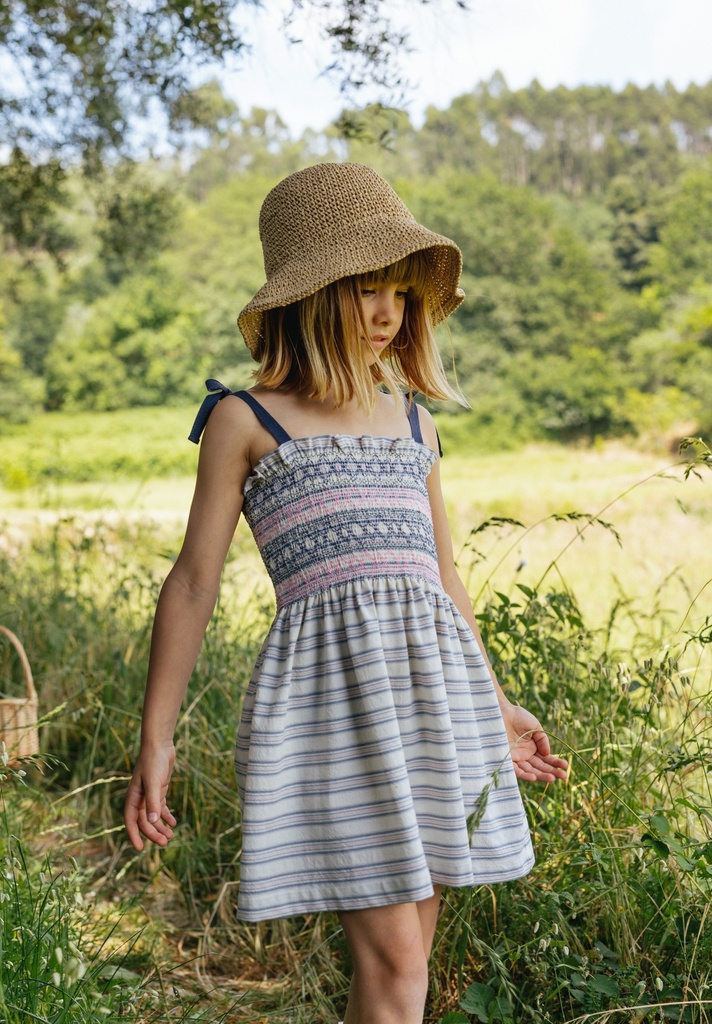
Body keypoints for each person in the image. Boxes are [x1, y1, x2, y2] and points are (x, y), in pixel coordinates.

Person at [125, 162, 568, 1024]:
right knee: (398, 959)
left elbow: (444, 578)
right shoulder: (244, 420)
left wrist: (496, 701)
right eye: (364, 289)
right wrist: (158, 738)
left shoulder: (414, 422)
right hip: (333, 709)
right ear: (310, 295)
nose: (385, 313)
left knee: (406, 969)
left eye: (399, 292)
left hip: (435, 704)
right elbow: (192, 583)